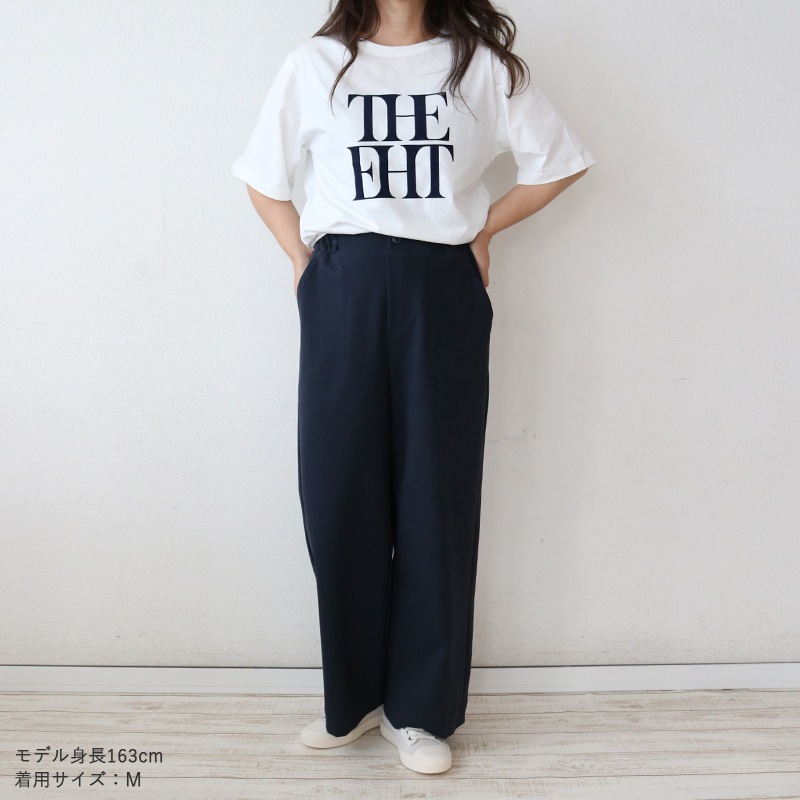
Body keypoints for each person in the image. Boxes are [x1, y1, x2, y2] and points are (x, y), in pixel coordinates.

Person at [231, 0, 596, 775]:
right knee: (338, 491)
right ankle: (354, 699)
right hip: (343, 283)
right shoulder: (316, 64)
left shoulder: (481, 66)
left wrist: (484, 229)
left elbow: (559, 162)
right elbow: (264, 178)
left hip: (441, 283)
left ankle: (421, 711)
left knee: (436, 493)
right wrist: (302, 262)